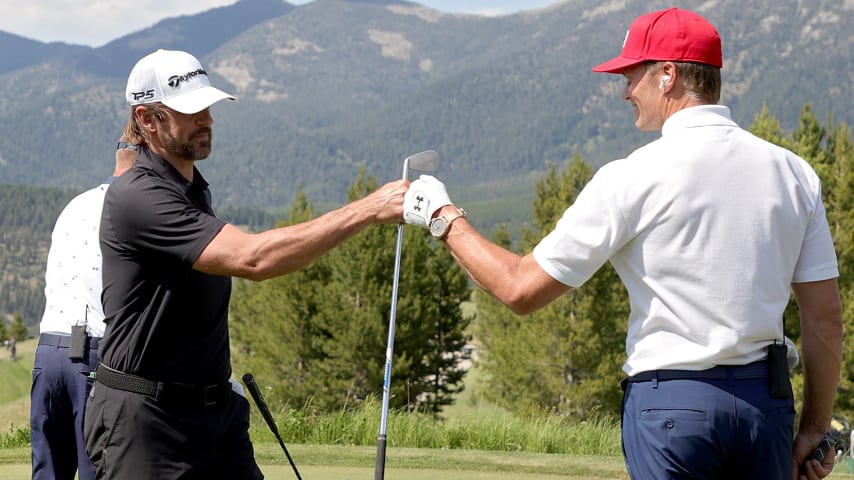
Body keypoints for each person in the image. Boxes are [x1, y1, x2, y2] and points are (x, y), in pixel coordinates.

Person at [402, 7, 842, 480]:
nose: (625, 91)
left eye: (632, 75)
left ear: (667, 76)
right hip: (764, 409)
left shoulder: (632, 176)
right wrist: (815, 428)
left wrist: (441, 216)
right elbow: (824, 318)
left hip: (671, 407)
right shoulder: (794, 173)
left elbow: (519, 288)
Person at [83, 49, 408, 479]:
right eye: (190, 110)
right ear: (147, 119)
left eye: (208, 106)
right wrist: (371, 207)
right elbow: (254, 258)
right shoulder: (140, 196)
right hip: (147, 422)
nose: (207, 119)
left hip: (214, 416)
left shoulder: (189, 187)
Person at [31, 140, 138, 480]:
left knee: (47, 473)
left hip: (48, 354)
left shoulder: (75, 204)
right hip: (95, 354)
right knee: (100, 470)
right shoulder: (133, 208)